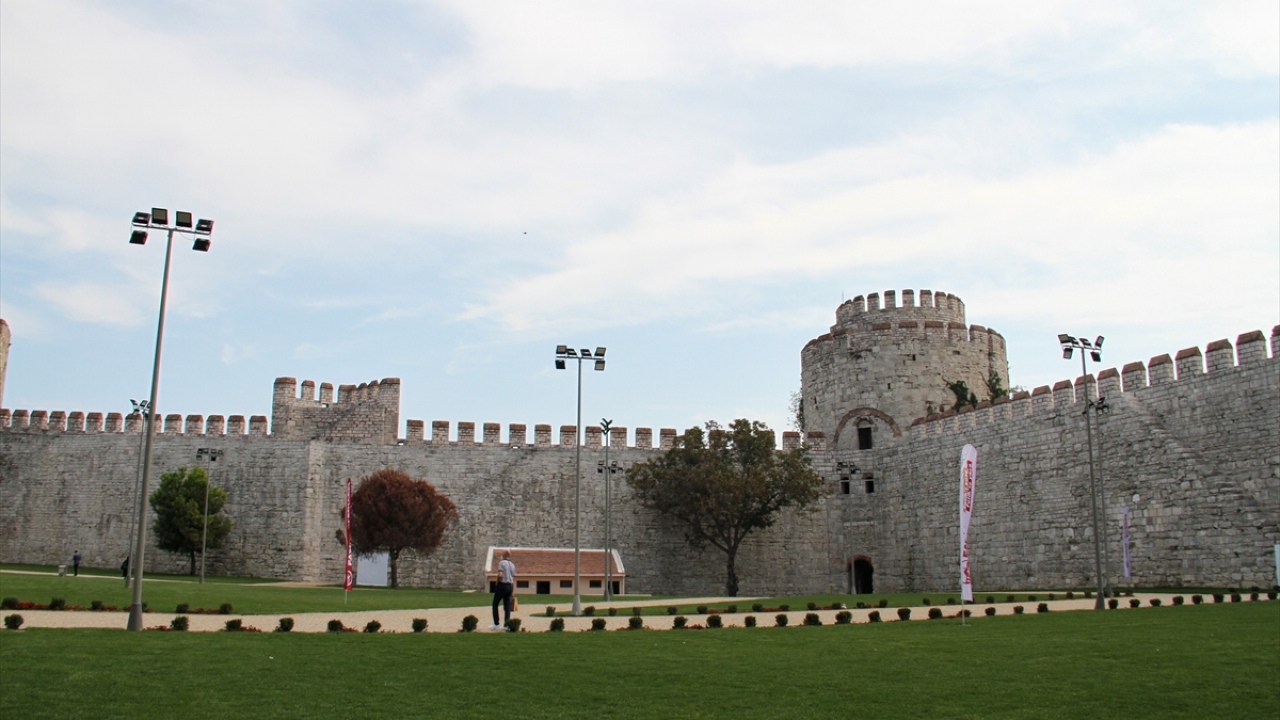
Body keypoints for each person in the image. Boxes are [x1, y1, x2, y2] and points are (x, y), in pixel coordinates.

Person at [490, 550, 516, 631]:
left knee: (495, 604)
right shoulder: (512, 565)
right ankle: (506, 625)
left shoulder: (502, 563)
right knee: (507, 606)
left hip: (502, 585)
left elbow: (500, 575)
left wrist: (497, 583)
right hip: (509, 586)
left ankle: (496, 623)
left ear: (504, 555)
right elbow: (512, 580)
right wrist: (512, 591)